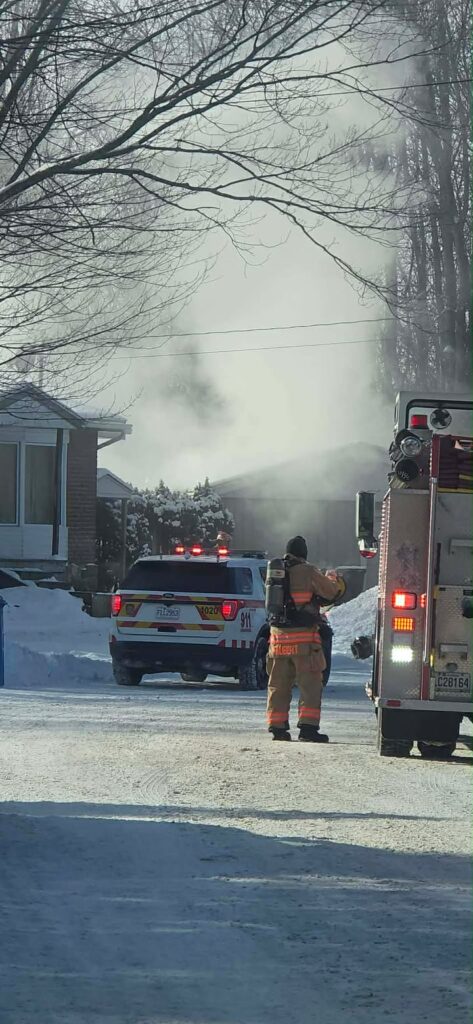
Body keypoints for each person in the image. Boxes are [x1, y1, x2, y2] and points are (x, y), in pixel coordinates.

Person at [266, 536, 345, 742]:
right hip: (304, 643)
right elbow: (331, 592)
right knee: (310, 685)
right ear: (304, 553)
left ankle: (277, 727)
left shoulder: (276, 572)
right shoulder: (308, 571)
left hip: (277, 641)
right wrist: (334, 579)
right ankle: (308, 729)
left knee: (278, 685)